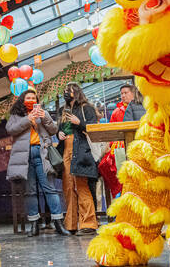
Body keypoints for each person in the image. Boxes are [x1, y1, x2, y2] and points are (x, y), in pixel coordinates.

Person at [5, 90, 71, 237]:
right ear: (23, 100)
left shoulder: (43, 113)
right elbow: (10, 129)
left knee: (50, 188)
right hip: (25, 156)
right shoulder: (16, 115)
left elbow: (54, 130)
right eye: (28, 97)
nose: (31, 100)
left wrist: (45, 117)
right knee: (30, 191)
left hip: (42, 154)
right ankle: (34, 224)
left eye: (33, 98)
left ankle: (58, 222)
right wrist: (28, 119)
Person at [57, 83, 99, 235]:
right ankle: (71, 224)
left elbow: (93, 128)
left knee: (81, 186)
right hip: (66, 148)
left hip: (81, 149)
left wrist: (79, 123)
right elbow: (61, 129)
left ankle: (88, 223)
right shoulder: (63, 110)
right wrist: (59, 134)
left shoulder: (86, 108)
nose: (66, 93)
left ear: (76, 92)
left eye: (69, 90)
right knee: (68, 187)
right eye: (65, 90)